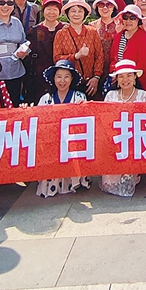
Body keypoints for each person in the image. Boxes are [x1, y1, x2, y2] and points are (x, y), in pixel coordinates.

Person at [35, 59, 91, 197]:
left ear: (71, 79)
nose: (62, 81)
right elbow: (39, 122)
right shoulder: (46, 99)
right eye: (59, 76)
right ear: (53, 78)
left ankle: (76, 181)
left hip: (73, 140)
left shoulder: (79, 97)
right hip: (52, 141)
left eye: (66, 76)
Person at [101, 59, 146, 197]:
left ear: (135, 77)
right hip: (116, 140)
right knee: (110, 183)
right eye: (121, 76)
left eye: (129, 75)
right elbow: (105, 120)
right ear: (117, 80)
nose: (125, 80)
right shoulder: (110, 96)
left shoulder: (145, 96)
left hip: (138, 140)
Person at [53, 0, 104, 99]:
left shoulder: (92, 32)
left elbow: (99, 56)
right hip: (68, 84)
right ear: (67, 13)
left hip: (90, 83)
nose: (76, 14)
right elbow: (56, 58)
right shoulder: (61, 34)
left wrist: (96, 77)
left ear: (85, 14)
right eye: (73, 11)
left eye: (80, 11)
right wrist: (76, 56)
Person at [23, 0, 64, 105]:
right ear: (43, 10)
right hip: (38, 78)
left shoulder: (65, 29)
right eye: (48, 9)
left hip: (62, 76)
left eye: (55, 9)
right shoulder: (34, 31)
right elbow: (28, 53)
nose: (51, 12)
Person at [109, 4, 146, 92]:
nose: (128, 21)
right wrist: (115, 73)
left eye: (132, 18)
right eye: (125, 17)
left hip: (138, 80)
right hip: (119, 78)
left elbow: (143, 63)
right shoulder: (118, 36)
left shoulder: (143, 37)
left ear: (138, 20)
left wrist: (129, 77)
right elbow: (113, 58)